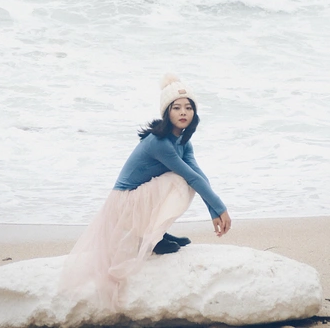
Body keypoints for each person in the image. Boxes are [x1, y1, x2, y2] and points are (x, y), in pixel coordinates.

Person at [59, 74, 231, 311]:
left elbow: (199, 175)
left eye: (188, 107)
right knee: (179, 181)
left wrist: (215, 211)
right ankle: (152, 238)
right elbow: (191, 177)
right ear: (167, 112)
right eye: (177, 108)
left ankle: (157, 233)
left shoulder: (183, 140)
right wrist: (221, 209)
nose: (183, 112)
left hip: (135, 201)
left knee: (186, 180)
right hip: (124, 204)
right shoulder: (159, 143)